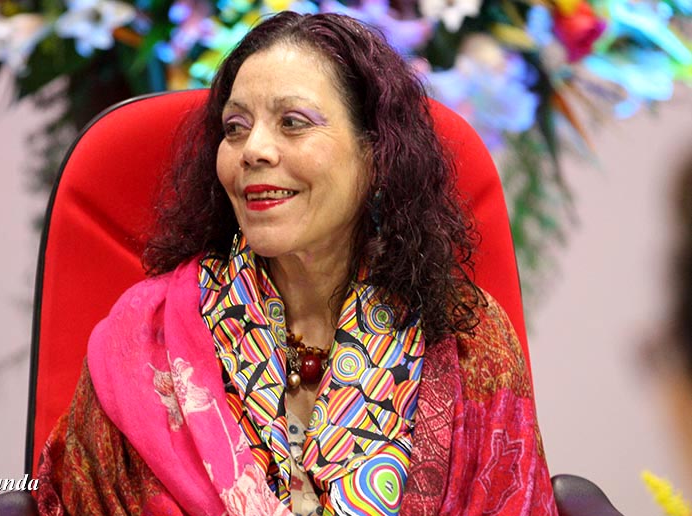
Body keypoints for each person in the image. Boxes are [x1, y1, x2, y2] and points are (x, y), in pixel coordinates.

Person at [37, 11, 556, 515]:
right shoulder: (146, 337)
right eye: (235, 128)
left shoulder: (465, 338)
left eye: (292, 123)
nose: (254, 149)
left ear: (376, 154)